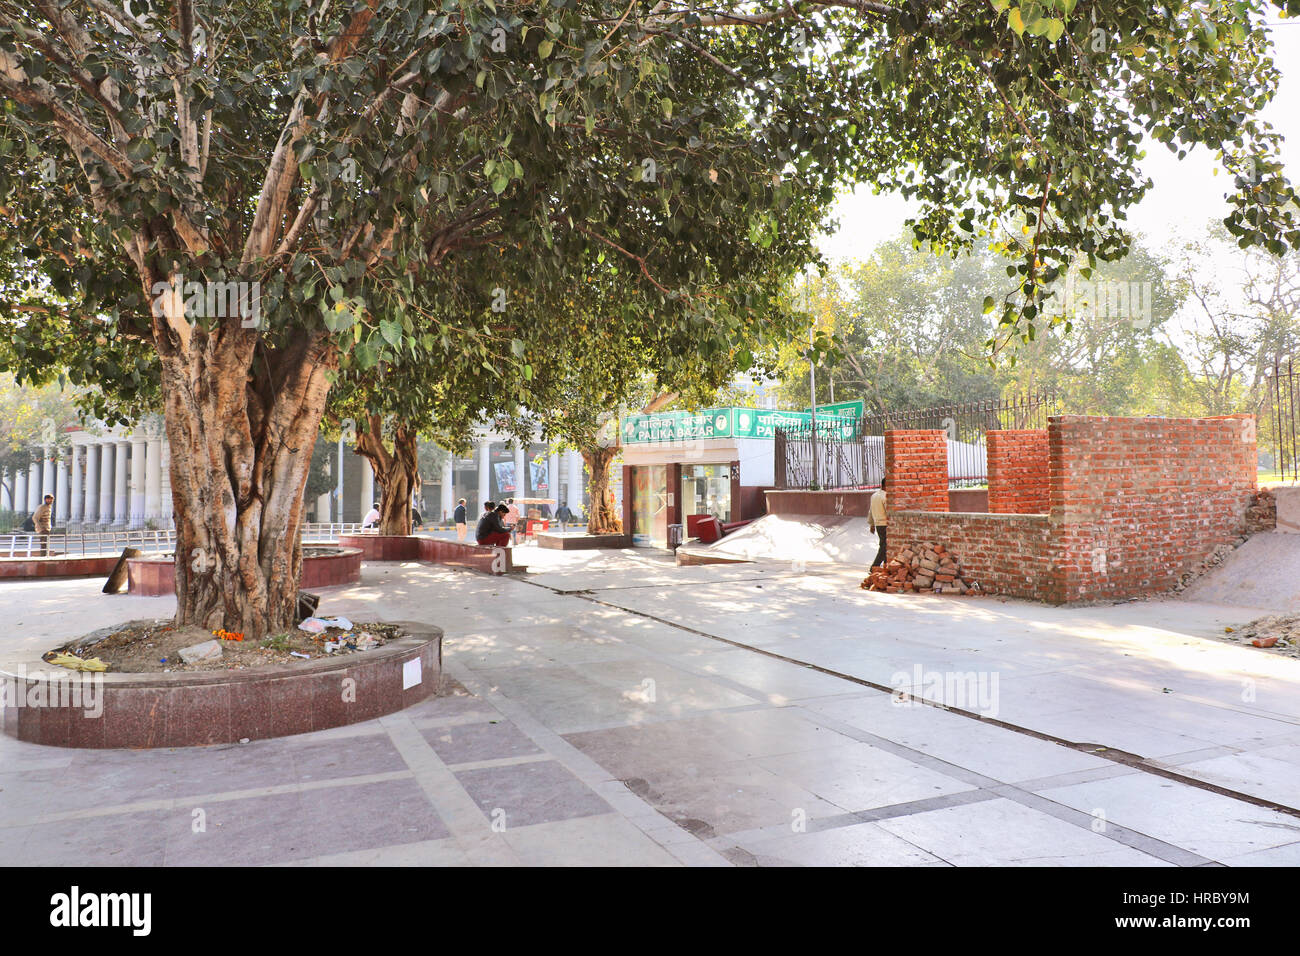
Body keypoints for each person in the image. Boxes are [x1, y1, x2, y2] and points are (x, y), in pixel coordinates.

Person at [869, 478, 888, 568]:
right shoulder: (886, 496)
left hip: (878, 524)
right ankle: (875, 566)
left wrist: (872, 524)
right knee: (885, 547)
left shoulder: (874, 496)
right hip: (885, 524)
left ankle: (886, 565)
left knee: (884, 545)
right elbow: (888, 512)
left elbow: (870, 511)